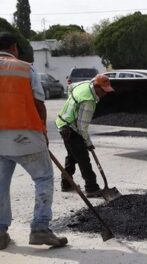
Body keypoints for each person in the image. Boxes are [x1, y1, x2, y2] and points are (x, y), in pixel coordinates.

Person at [0, 31, 68, 249]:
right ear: (14, 48)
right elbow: (39, 103)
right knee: (44, 178)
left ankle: (0, 233)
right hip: (26, 134)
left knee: (0, 185)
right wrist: (44, 134)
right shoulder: (25, 68)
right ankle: (39, 228)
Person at [55, 74, 114, 197]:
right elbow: (82, 128)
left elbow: (70, 87)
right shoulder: (89, 102)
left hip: (62, 122)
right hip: (70, 128)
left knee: (72, 155)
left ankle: (66, 183)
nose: (105, 94)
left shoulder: (85, 84)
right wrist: (88, 143)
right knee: (83, 158)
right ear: (96, 86)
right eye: (103, 90)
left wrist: (72, 105)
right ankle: (91, 188)